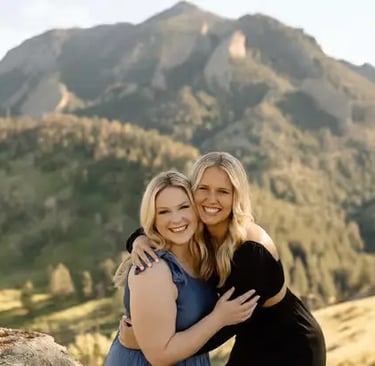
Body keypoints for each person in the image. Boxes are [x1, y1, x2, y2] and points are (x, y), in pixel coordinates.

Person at [123, 152, 326, 366]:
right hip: (250, 336)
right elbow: (163, 225)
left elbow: (223, 327)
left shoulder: (251, 252)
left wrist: (150, 344)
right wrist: (139, 240)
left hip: (292, 345)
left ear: (236, 197)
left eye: (223, 192)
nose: (211, 200)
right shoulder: (199, 230)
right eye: (203, 189)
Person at [105, 170, 259, 366]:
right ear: (153, 219)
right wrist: (219, 318)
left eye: (183, 207)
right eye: (163, 211)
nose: (176, 219)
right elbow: (159, 356)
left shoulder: (203, 255)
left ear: (196, 209)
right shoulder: (153, 269)